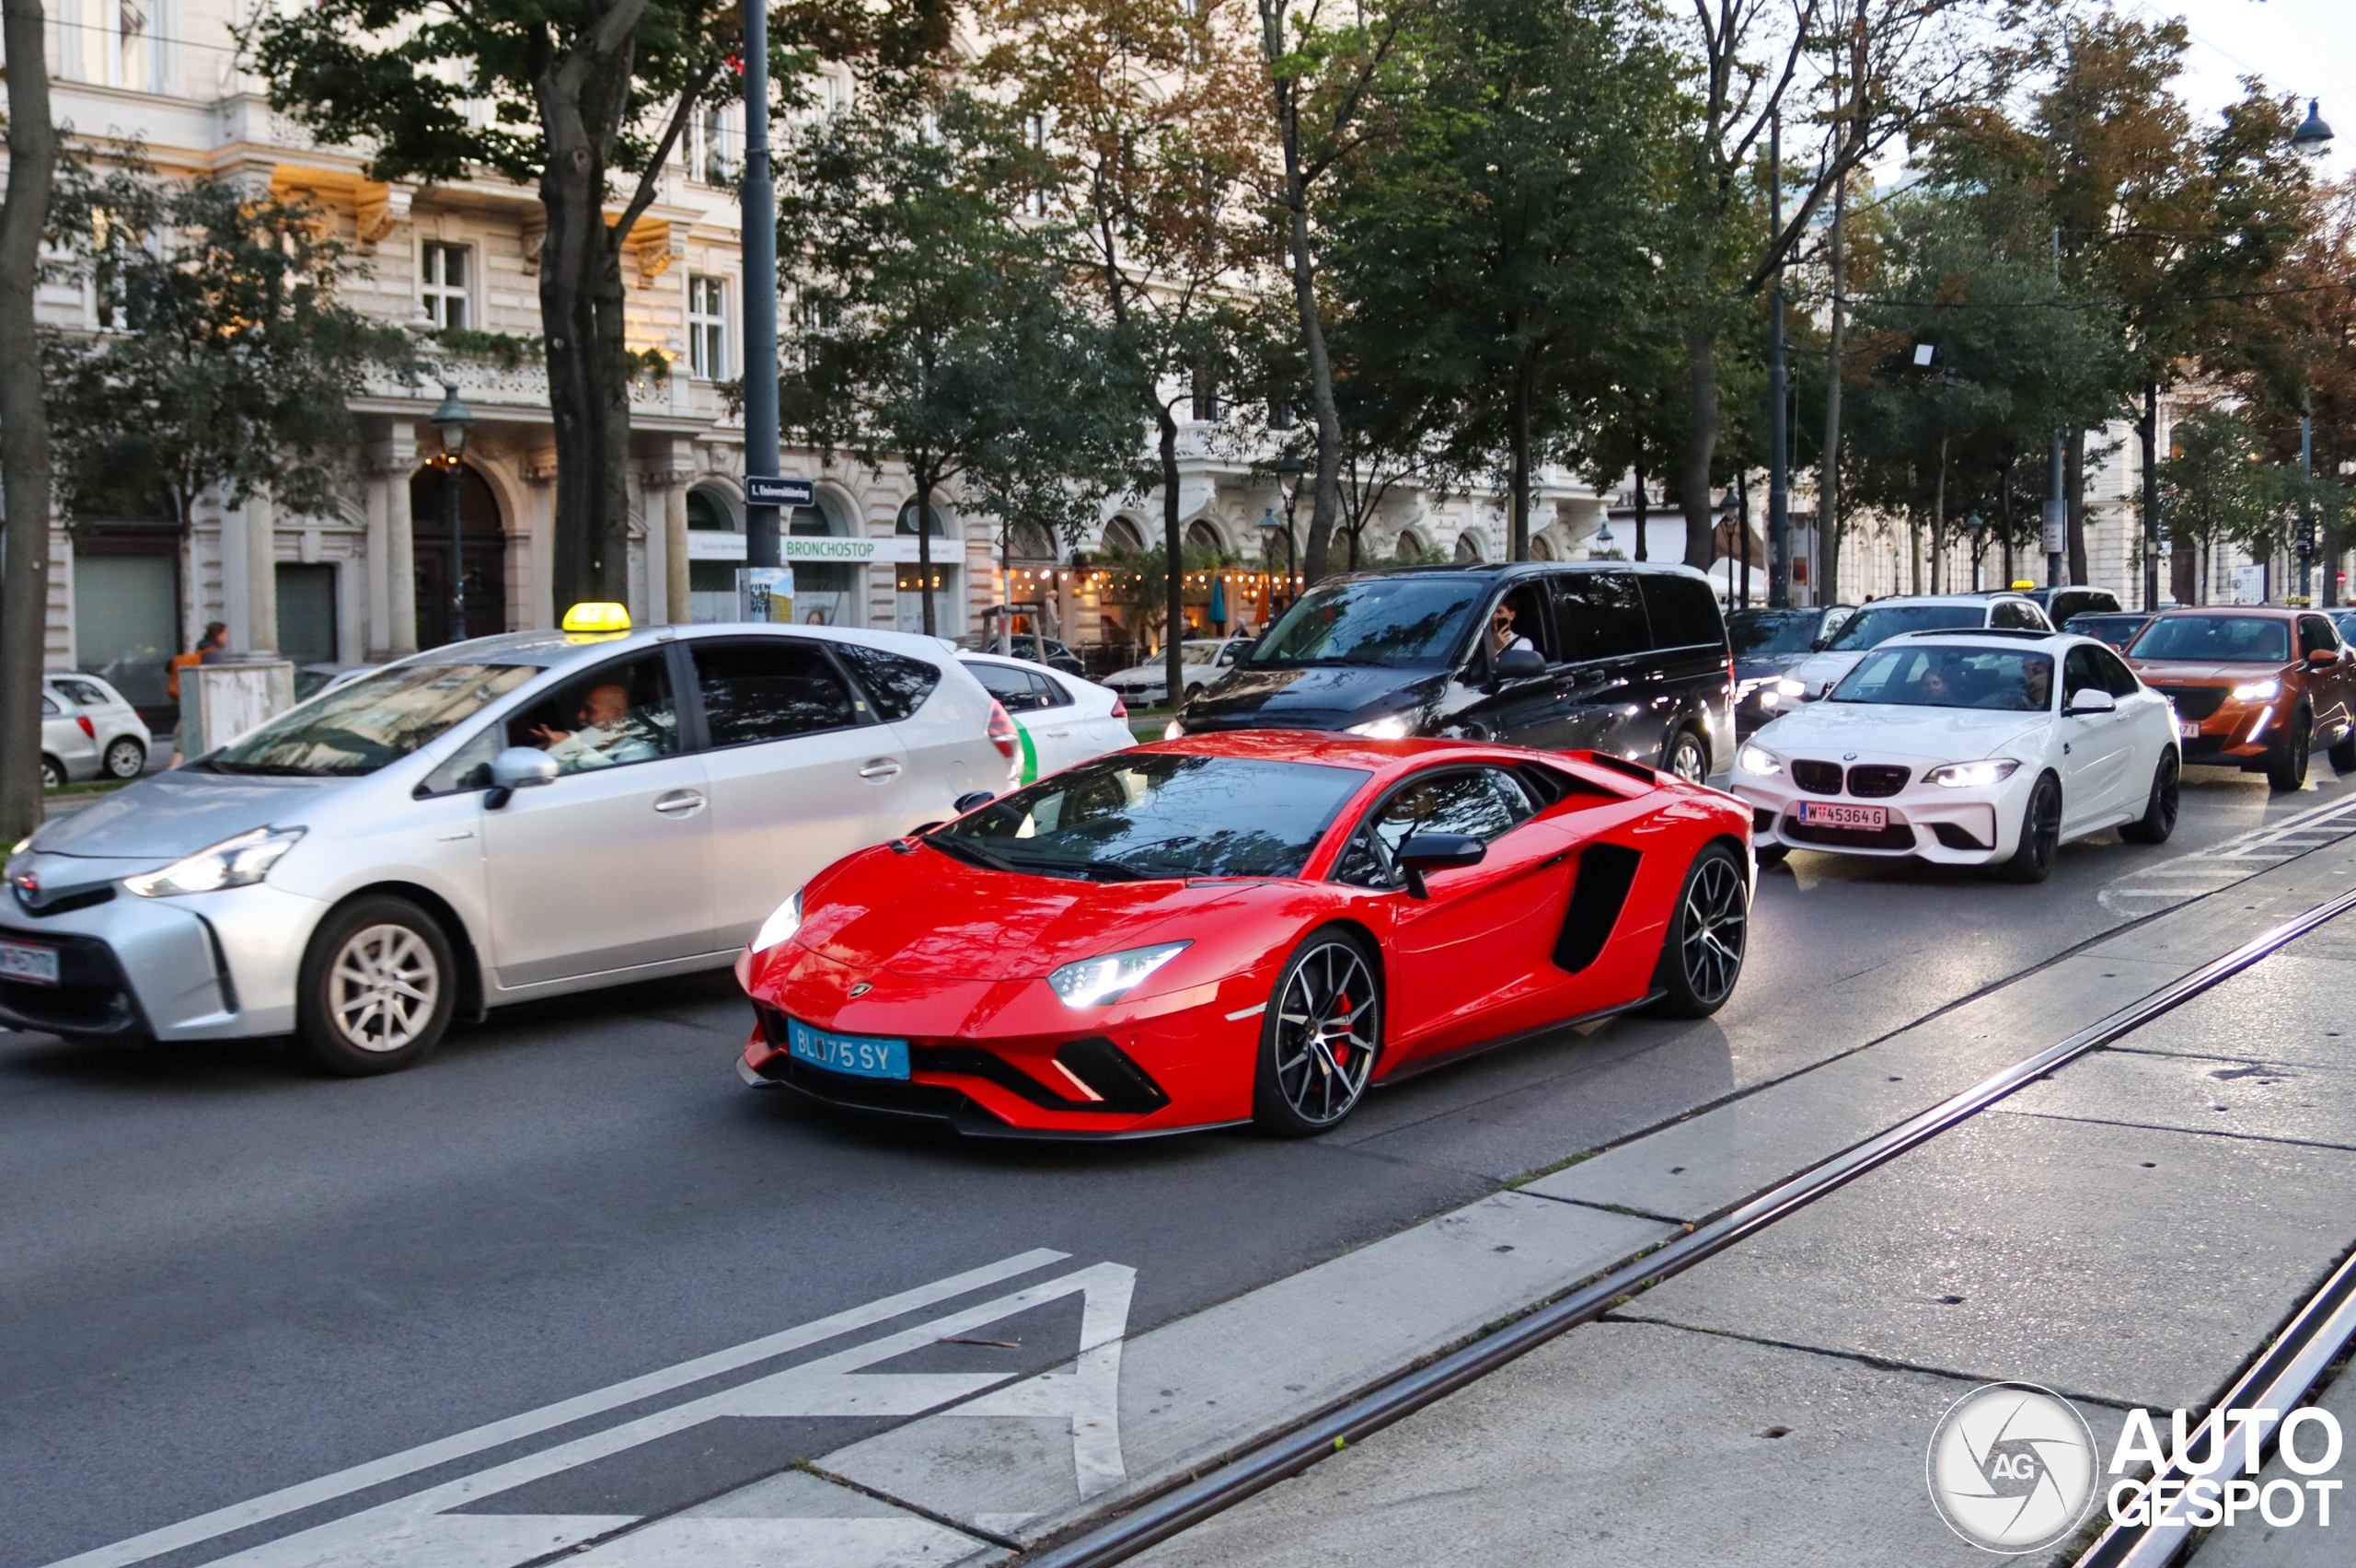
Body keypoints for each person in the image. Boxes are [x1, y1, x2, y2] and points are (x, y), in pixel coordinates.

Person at [529, 682, 662, 771]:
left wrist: (577, 747)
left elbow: (621, 784)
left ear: (618, 714)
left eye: (589, 710)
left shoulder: (639, 751)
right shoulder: (594, 746)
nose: (580, 716)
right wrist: (549, 751)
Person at [167, 623, 228, 702]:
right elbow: (217, 681)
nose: (226, 638)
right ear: (219, 636)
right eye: (225, 634)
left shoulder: (201, 650)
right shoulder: (213, 654)